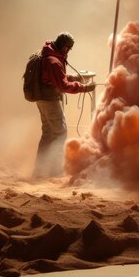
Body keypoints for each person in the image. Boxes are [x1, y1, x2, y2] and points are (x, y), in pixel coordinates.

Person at [33, 31, 95, 178]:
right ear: (64, 46)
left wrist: (71, 77)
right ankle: (54, 172)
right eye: (69, 48)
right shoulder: (54, 61)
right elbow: (62, 86)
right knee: (60, 132)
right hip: (50, 100)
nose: (69, 51)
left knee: (48, 133)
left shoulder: (49, 55)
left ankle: (40, 170)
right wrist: (83, 88)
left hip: (42, 99)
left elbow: (54, 77)